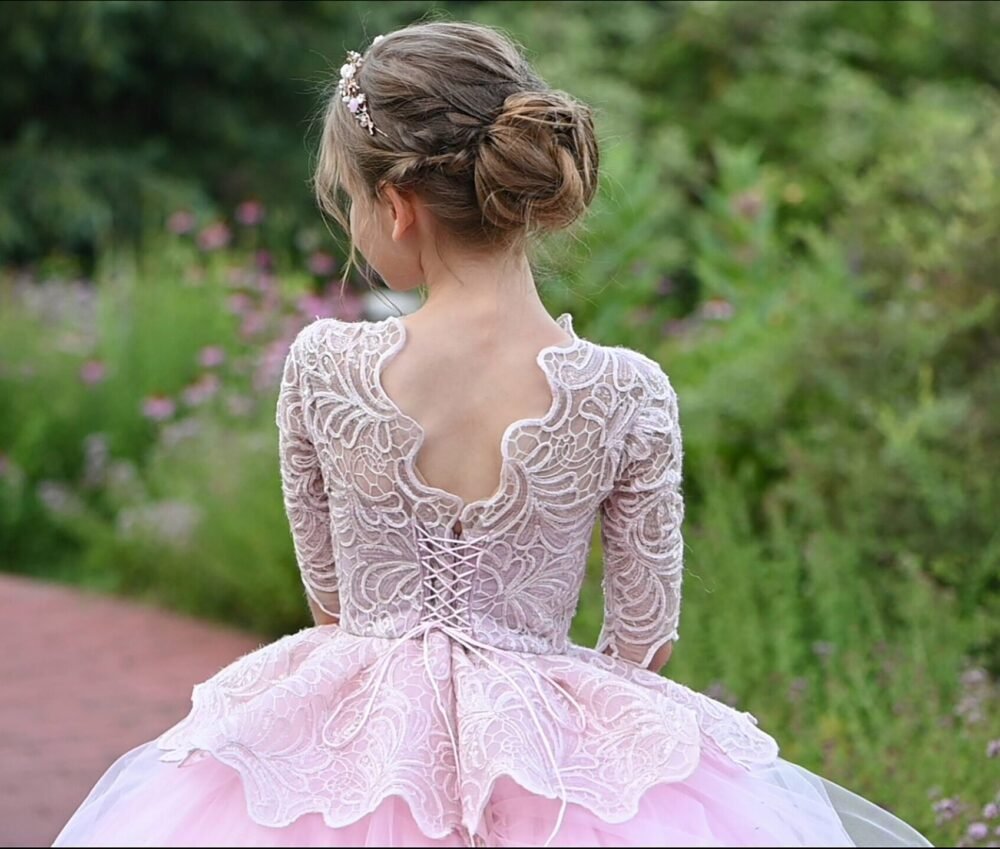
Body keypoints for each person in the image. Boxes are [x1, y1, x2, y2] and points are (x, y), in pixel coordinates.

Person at [52, 20, 933, 848]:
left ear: (397, 206)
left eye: (350, 202)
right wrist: (549, 708)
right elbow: (645, 634)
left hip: (359, 744)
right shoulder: (628, 390)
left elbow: (331, 602)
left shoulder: (326, 366)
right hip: (550, 753)